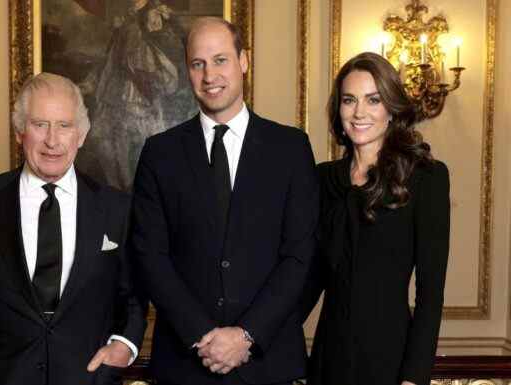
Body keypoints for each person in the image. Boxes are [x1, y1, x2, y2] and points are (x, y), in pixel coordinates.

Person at [130, 17, 319, 385]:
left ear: (243, 61)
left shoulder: (291, 148)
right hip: (185, 364)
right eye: (197, 63)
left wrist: (247, 335)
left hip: (268, 363)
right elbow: (150, 256)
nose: (209, 75)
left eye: (220, 60)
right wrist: (204, 337)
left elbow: (299, 255)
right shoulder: (160, 153)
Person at [0, 72, 147, 385]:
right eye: (39, 124)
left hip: (89, 376)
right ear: (20, 131)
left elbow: (134, 294)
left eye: (64, 125)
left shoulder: (116, 208)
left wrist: (124, 346)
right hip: (4, 376)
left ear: (81, 135)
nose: (52, 140)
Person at [300, 52, 450, 385]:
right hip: (329, 357)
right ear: (338, 110)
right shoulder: (322, 179)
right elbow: (309, 278)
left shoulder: (426, 177)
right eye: (349, 100)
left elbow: (431, 292)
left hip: (390, 359)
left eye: (373, 100)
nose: (358, 112)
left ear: (392, 108)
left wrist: (414, 377)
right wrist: (255, 337)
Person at [78, 0, 196, 190]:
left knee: (148, 143)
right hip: (121, 89)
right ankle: (122, 189)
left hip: (145, 87)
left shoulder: (156, 16)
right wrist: (91, 82)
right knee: (113, 141)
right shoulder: (125, 22)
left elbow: (173, 51)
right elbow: (110, 58)